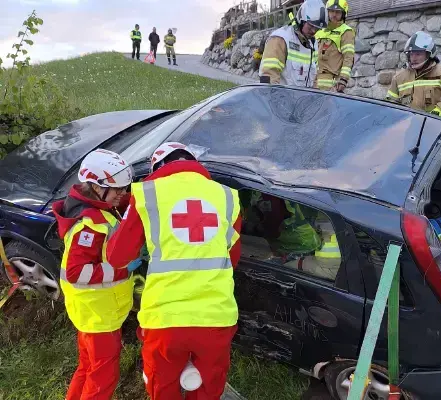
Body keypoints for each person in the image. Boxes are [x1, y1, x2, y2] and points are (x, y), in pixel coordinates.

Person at [106, 142, 242, 400]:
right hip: (217, 316)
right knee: (208, 389)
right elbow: (232, 260)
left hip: (164, 319)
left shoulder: (148, 193)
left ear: (156, 168)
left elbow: (117, 257)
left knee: (162, 388)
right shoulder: (227, 196)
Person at [51, 149, 139, 400]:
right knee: (103, 377)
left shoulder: (92, 205)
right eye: (118, 189)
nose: (122, 193)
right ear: (96, 187)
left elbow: (119, 202)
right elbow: (77, 272)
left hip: (92, 311)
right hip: (99, 313)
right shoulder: (88, 225)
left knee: (88, 367)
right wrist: (125, 266)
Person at [386, 31, 441, 117]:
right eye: (411, 54)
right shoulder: (399, 78)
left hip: (437, 125)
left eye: (418, 54)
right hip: (408, 126)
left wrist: (440, 107)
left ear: (429, 54)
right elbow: (390, 103)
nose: (413, 58)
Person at [259, 0, 327, 87]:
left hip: (304, 99)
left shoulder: (313, 44)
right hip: (282, 99)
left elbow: (314, 78)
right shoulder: (281, 39)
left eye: (317, 28)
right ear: (301, 19)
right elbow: (269, 75)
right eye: (311, 26)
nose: (313, 31)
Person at [314, 0, 355, 92]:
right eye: (331, 11)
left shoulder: (346, 31)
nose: (334, 14)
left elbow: (348, 58)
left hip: (332, 86)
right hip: (313, 83)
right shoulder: (319, 30)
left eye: (337, 12)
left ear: (343, 14)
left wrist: (343, 80)